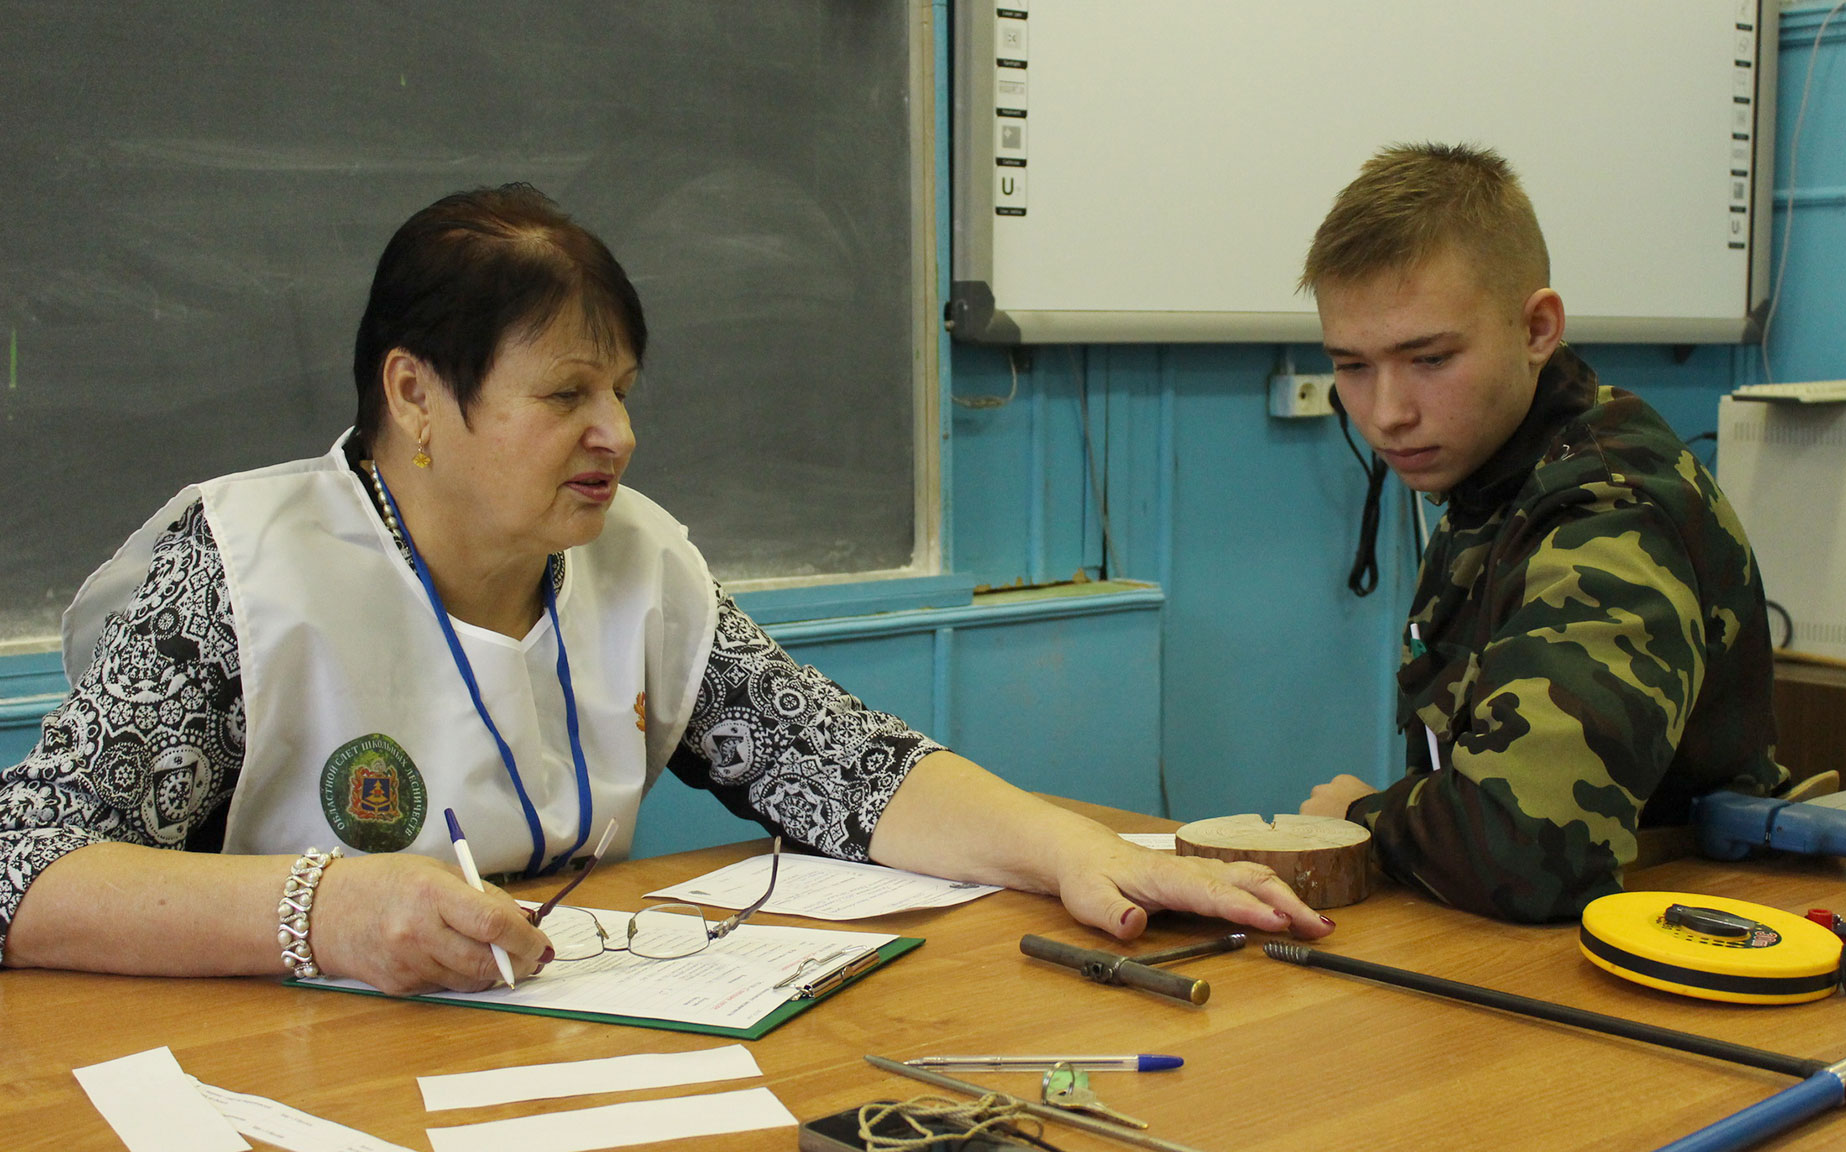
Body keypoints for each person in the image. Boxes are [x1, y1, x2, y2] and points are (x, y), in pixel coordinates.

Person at [0, 185, 1332, 995]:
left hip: (552, 1038)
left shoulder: (628, 556)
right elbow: (20, 867)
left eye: (624, 392)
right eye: (566, 395)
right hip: (270, 1059)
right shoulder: (240, 571)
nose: (618, 437)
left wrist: (1076, 850)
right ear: (414, 392)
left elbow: (845, 767)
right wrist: (324, 913)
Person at [1295, 144, 1787, 923]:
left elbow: (1523, 849)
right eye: (1352, 366)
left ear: (1537, 328)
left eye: (1429, 359)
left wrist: (1362, 817)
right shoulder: (1494, 475)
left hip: (1674, 937)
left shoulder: (1607, 514)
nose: (1387, 413)